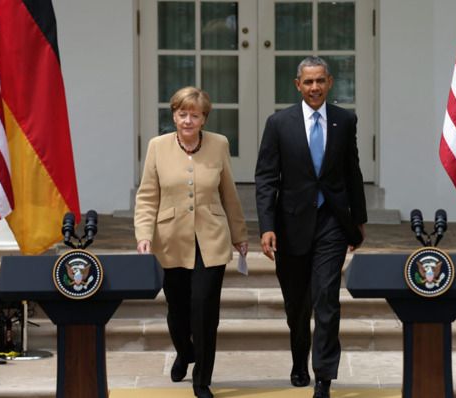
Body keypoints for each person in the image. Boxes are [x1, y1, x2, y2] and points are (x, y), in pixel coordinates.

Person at [255, 56, 367, 398]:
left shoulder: (345, 121)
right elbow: (265, 178)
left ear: (329, 82)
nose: (314, 87)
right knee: (297, 304)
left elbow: (353, 172)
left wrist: (358, 220)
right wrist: (266, 226)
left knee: (326, 299)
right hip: (290, 225)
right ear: (297, 84)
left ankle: (324, 377)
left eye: (320, 81)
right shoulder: (279, 123)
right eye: (308, 82)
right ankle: (298, 359)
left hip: (332, 221)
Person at [135, 86, 248, 398]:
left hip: (211, 238)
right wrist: (144, 235)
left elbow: (229, 193)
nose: (187, 120)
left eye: (194, 115)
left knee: (205, 310)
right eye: (182, 114)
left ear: (203, 119)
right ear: (174, 115)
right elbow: (147, 196)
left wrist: (240, 235)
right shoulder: (157, 147)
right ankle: (185, 352)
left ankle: (202, 380)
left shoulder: (218, 144)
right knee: (178, 309)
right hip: (170, 239)